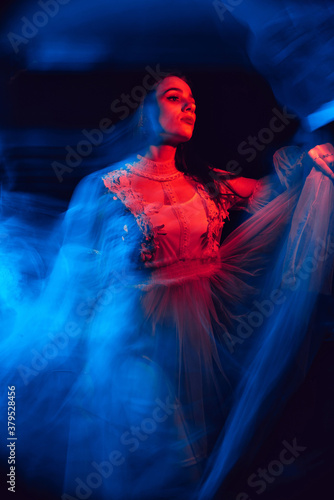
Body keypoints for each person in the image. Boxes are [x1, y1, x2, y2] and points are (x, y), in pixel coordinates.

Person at [0, 73, 333, 500]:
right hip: (132, 344)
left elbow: (282, 192)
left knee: (195, 459)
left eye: (193, 99)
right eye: (174, 97)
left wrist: (311, 157)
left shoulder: (208, 182)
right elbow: (75, 278)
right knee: (170, 465)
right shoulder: (104, 188)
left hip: (199, 345)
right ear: (143, 112)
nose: (190, 105)